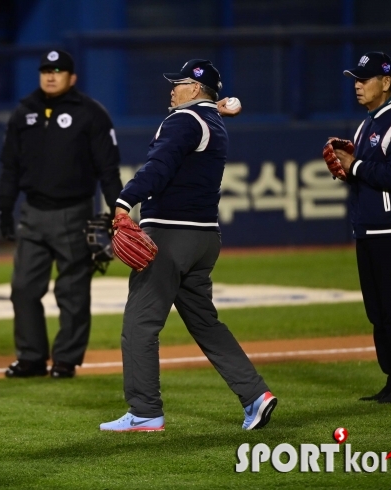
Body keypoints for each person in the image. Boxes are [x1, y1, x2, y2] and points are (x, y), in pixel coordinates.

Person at [100, 59, 277, 432]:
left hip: (169, 234)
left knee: (140, 323)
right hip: (204, 238)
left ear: (195, 89)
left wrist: (123, 201)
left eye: (178, 83)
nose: (171, 89)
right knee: (205, 322)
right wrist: (217, 107)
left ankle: (145, 411)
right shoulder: (211, 122)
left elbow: (158, 166)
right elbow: (197, 135)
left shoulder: (183, 120)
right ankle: (254, 395)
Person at [0, 49, 123, 379]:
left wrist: (118, 210)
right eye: (45, 70)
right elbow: (9, 167)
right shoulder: (24, 111)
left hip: (75, 213)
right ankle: (31, 357)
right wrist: (4, 208)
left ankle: (66, 359)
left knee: (73, 292)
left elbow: (108, 169)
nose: (51, 75)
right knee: (23, 288)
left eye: (58, 70)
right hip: (33, 212)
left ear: (73, 77)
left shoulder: (91, 114)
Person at [332, 52, 391, 404]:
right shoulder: (367, 124)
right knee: (377, 310)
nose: (357, 84)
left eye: (364, 78)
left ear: (385, 83)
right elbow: (367, 175)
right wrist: (346, 170)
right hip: (369, 229)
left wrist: (354, 167)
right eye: (355, 78)